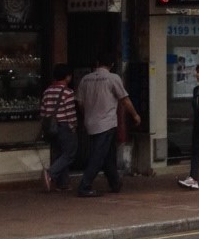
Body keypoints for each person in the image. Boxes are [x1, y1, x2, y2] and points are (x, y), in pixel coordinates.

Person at [75, 53, 141, 197]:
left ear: (97, 63)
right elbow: (124, 100)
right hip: (107, 123)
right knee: (98, 155)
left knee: (108, 154)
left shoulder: (85, 79)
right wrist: (135, 115)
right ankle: (84, 185)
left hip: (90, 122)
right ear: (111, 65)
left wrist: (88, 114)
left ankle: (114, 182)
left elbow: (80, 102)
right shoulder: (113, 78)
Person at [39, 63, 78, 193]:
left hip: (51, 127)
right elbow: (70, 112)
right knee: (69, 154)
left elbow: (43, 111)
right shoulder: (68, 92)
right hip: (64, 125)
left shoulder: (47, 91)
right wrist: (73, 126)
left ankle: (63, 183)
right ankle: (50, 173)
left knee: (58, 154)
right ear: (67, 77)